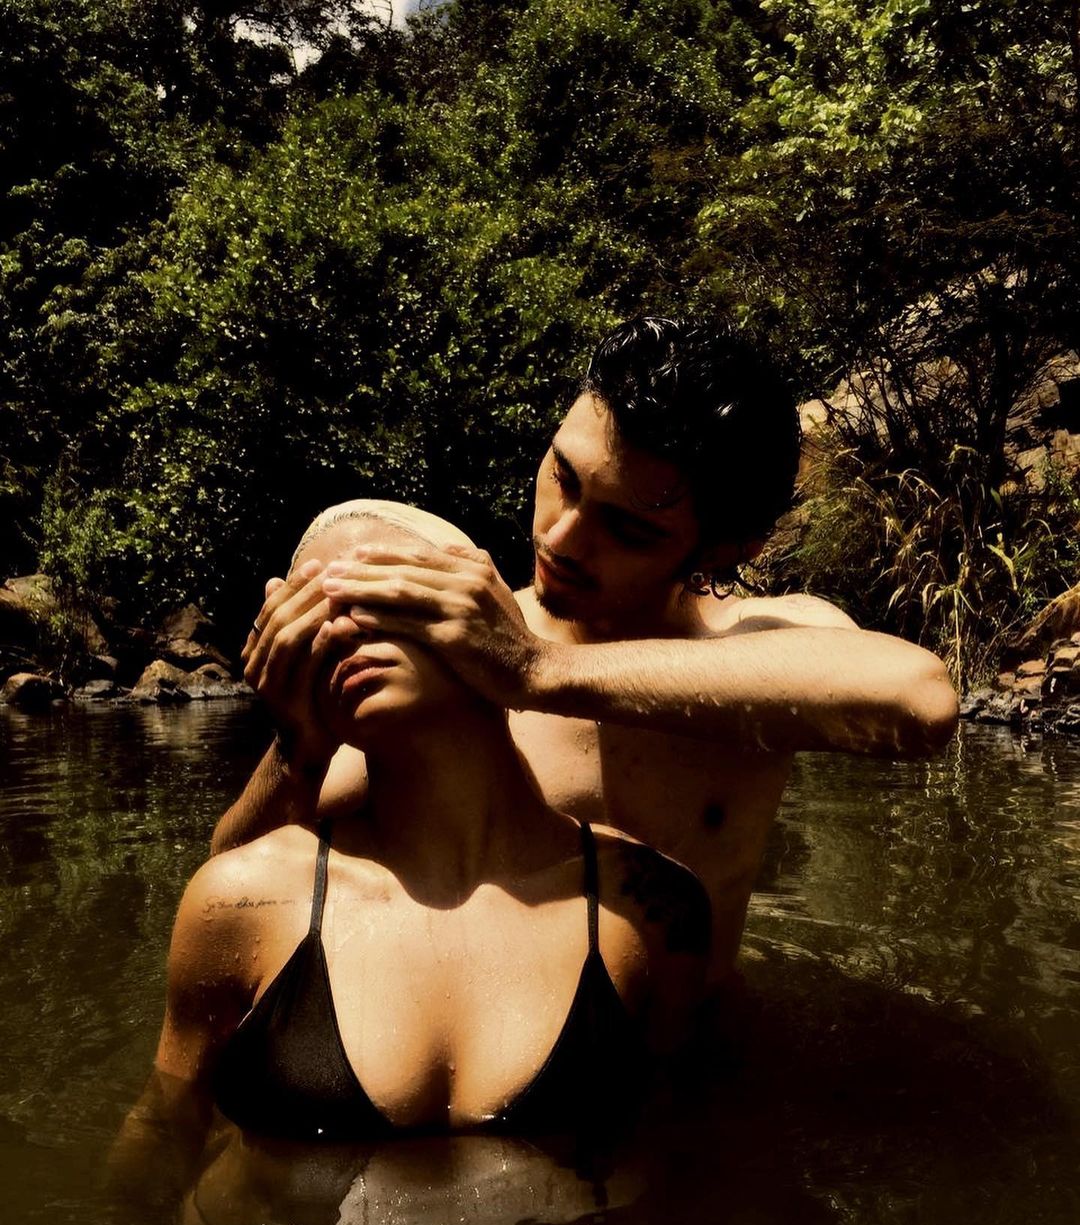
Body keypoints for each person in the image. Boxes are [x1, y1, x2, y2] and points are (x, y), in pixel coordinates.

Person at [213, 317, 958, 987]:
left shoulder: (754, 646)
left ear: (728, 548)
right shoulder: (456, 655)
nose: (562, 538)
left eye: (627, 529)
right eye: (562, 477)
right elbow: (231, 911)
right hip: (522, 1063)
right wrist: (296, 751)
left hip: (686, 1064)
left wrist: (538, 671)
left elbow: (920, 703)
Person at [134, 501, 709, 1151]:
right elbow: (162, 1134)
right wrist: (297, 746)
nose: (341, 629)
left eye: (379, 593)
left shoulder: (651, 907)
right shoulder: (241, 897)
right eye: (309, 620)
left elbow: (678, 1149)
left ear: (490, 610)